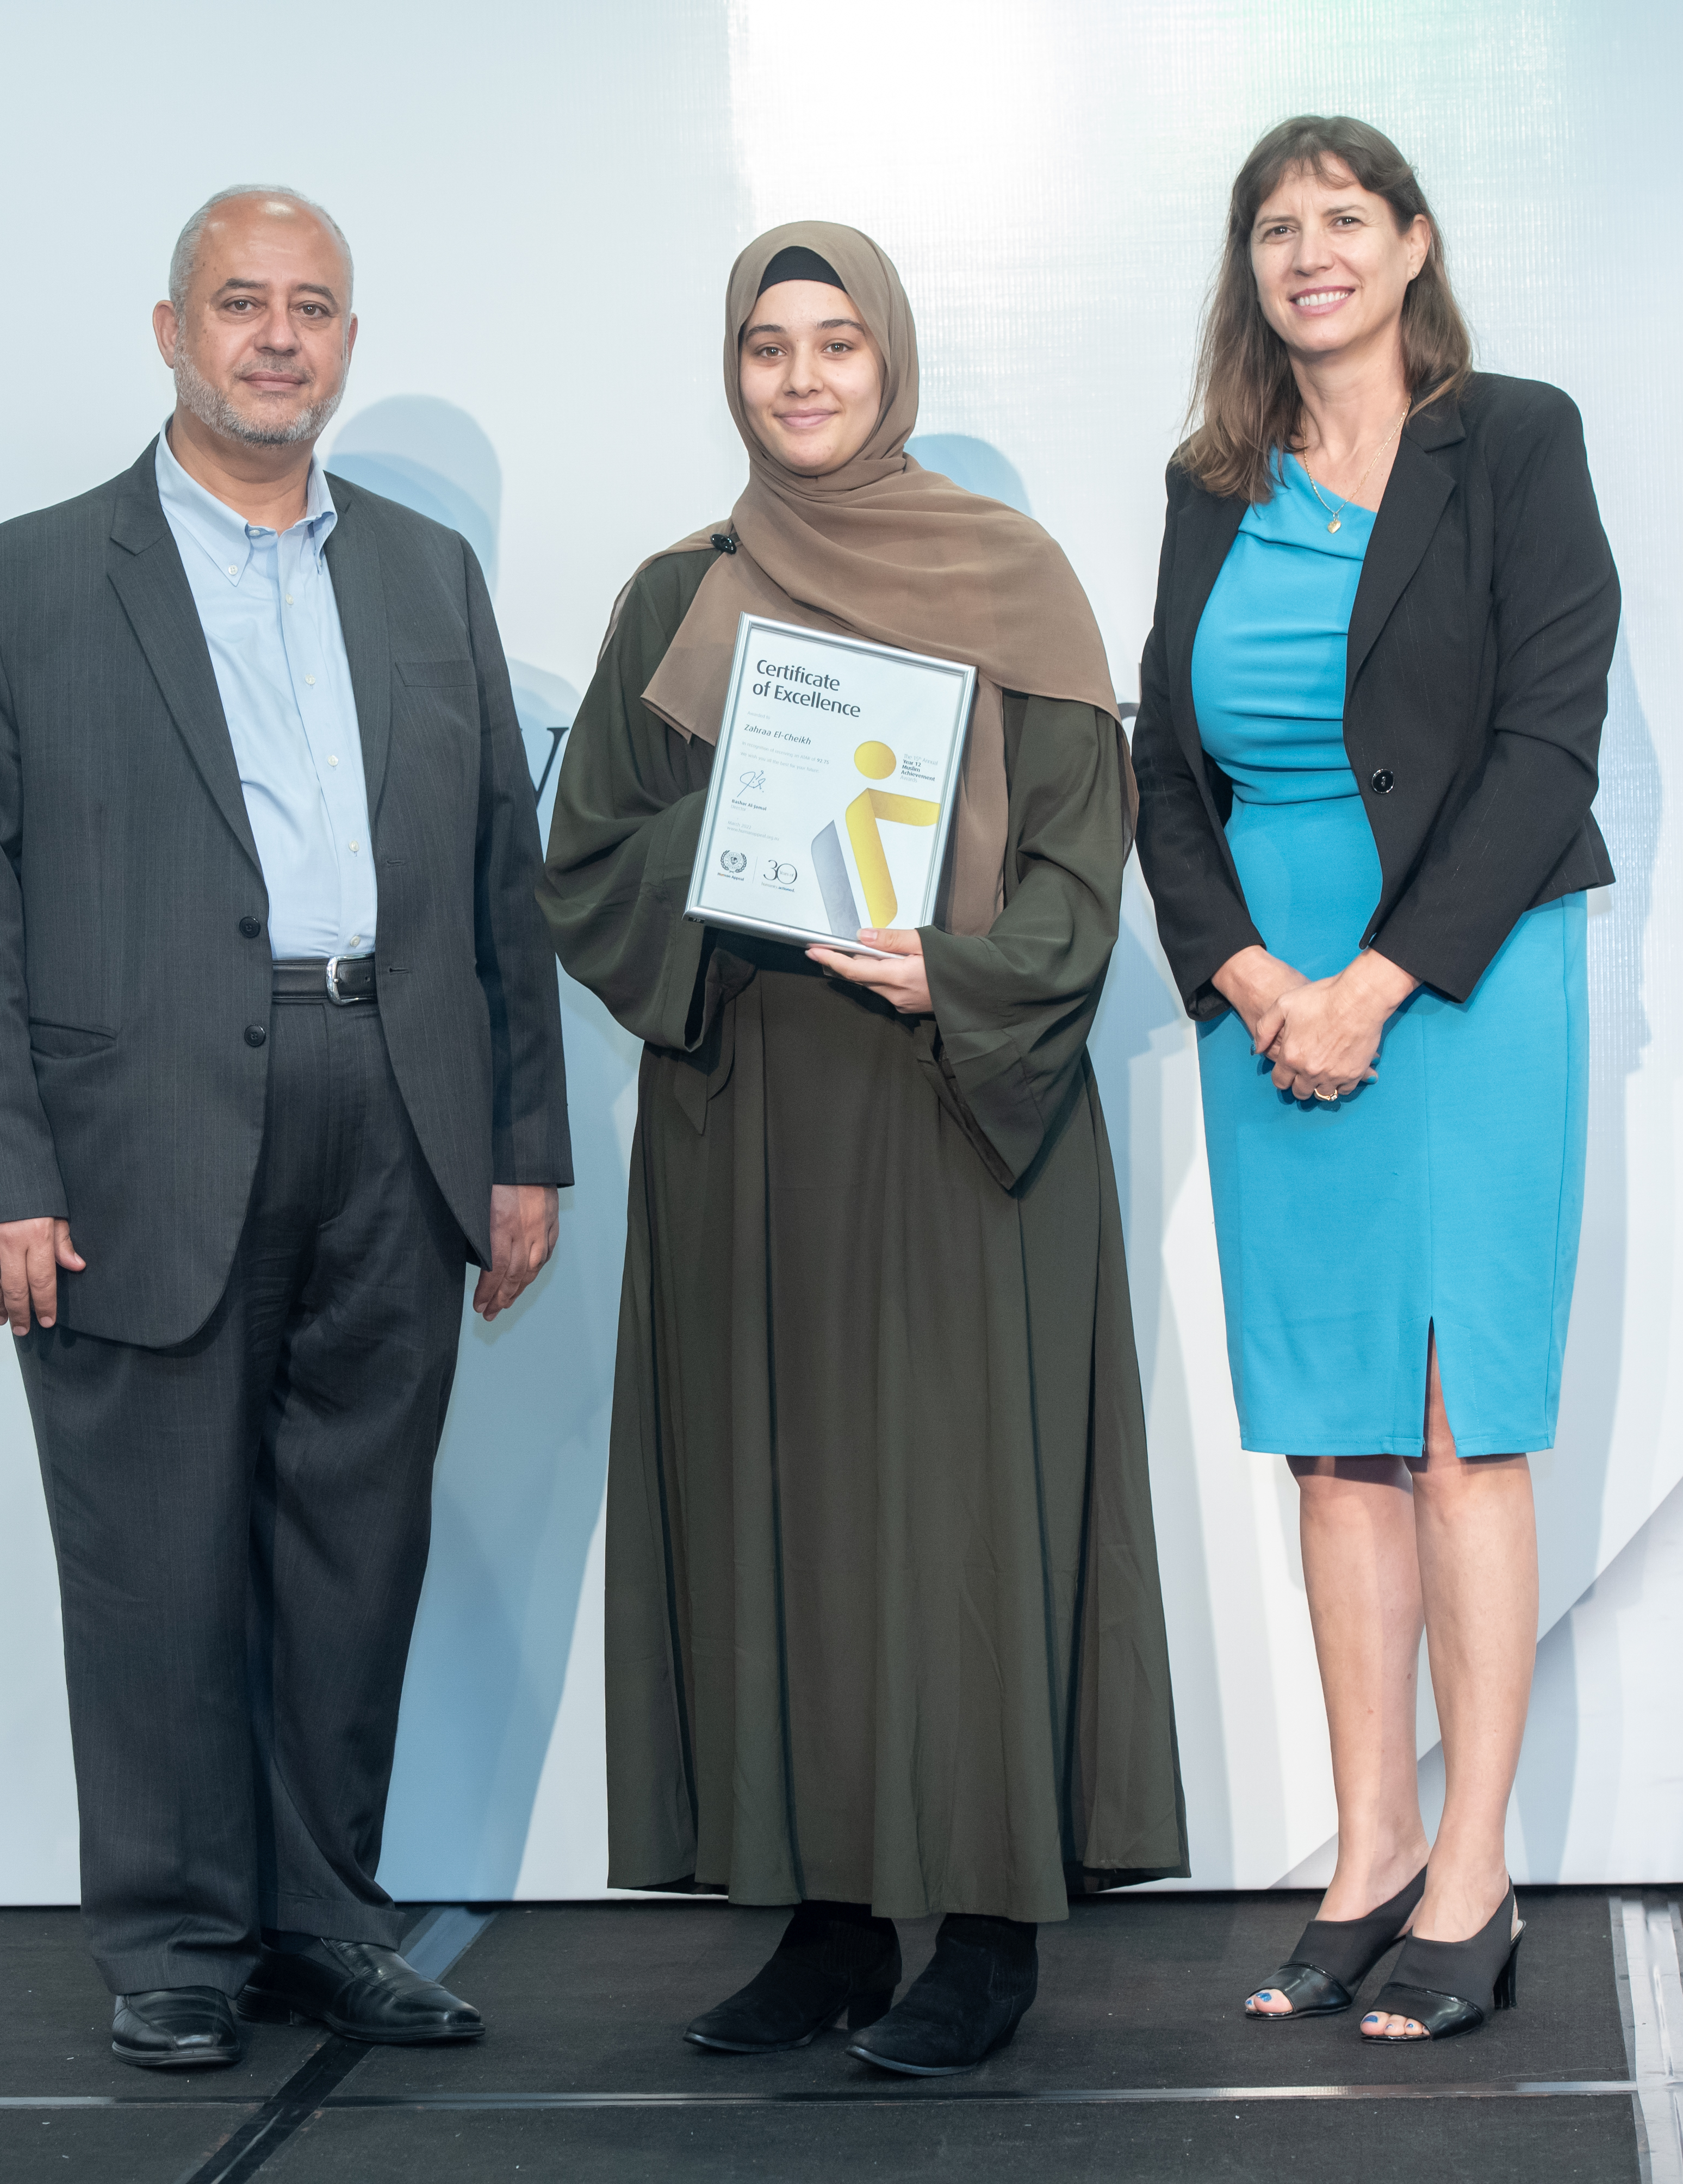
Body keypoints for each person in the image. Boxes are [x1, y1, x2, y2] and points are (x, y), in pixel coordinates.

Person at [0, 184, 572, 2071]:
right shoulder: (22, 583)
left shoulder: (428, 574)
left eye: (316, 309)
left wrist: (526, 1144)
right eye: (243, 305)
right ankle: (179, 1940)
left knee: (357, 1547)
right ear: (173, 331)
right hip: (139, 1134)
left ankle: (328, 1923)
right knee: (153, 1550)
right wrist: (1, 1176)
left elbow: (493, 882)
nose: (281, 338)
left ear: (349, 341)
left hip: (400, 1106)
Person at [539, 221, 1188, 2080]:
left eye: (837, 343)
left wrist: (958, 969)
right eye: (767, 346)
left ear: (892, 361)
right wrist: (744, 841)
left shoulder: (1012, 576)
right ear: (733, 373)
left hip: (960, 1105)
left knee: (966, 1520)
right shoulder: (678, 593)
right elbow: (585, 862)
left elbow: (1081, 860)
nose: (803, 377)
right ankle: (821, 1928)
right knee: (781, 1518)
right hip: (753, 1119)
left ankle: (985, 1936)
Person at [1130, 115, 1618, 2043]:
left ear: (1414, 246)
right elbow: (1164, 768)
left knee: (1452, 1425)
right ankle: (1369, 1854)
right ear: (1246, 267)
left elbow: (1545, 739)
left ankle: (1477, 1879)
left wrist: (1382, 982)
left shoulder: (1513, 440)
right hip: (1274, 998)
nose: (1309, 253)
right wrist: (1255, 976)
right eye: (1275, 228)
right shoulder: (1207, 482)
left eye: (1346, 220)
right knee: (1333, 1435)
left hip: (1469, 979)